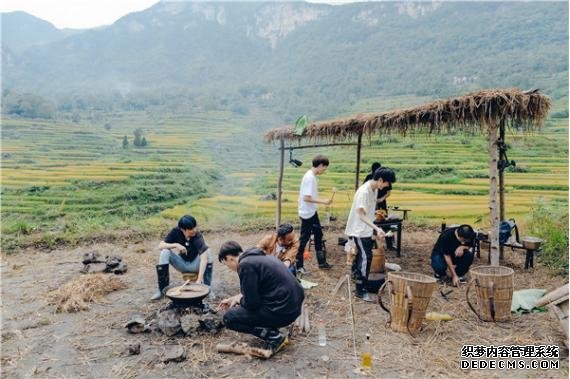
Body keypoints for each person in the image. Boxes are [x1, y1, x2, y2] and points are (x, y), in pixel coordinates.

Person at [218, 241, 304, 354]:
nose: (228, 267)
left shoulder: (245, 265)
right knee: (242, 310)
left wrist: (240, 300)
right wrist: (234, 298)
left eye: (226, 263)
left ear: (229, 258)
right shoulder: (259, 258)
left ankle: (274, 337)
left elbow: (252, 303)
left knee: (229, 318)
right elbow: (260, 289)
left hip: (283, 310)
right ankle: (272, 328)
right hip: (293, 306)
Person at [346, 167, 396, 302]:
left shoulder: (374, 190)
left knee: (362, 257)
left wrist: (375, 230)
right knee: (365, 259)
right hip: (359, 230)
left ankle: (357, 280)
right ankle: (360, 291)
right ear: (380, 180)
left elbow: (369, 215)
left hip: (365, 230)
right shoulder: (364, 191)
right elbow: (361, 215)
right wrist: (377, 229)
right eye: (387, 183)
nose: (387, 186)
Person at [150, 215, 213, 301]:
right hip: (182, 264)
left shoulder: (197, 235)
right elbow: (160, 245)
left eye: (195, 227)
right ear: (183, 229)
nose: (194, 230)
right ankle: (162, 290)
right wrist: (175, 245)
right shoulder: (175, 232)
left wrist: (199, 279)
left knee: (207, 251)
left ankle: (208, 288)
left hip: (195, 265)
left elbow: (204, 258)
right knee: (165, 252)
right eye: (191, 229)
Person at [296, 154, 333, 274]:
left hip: (311, 211)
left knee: (318, 233)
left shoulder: (311, 176)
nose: (324, 170)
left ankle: (322, 262)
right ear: (320, 165)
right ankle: (299, 266)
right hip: (307, 213)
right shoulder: (310, 178)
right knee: (304, 239)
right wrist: (323, 201)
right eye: (324, 168)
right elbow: (306, 198)